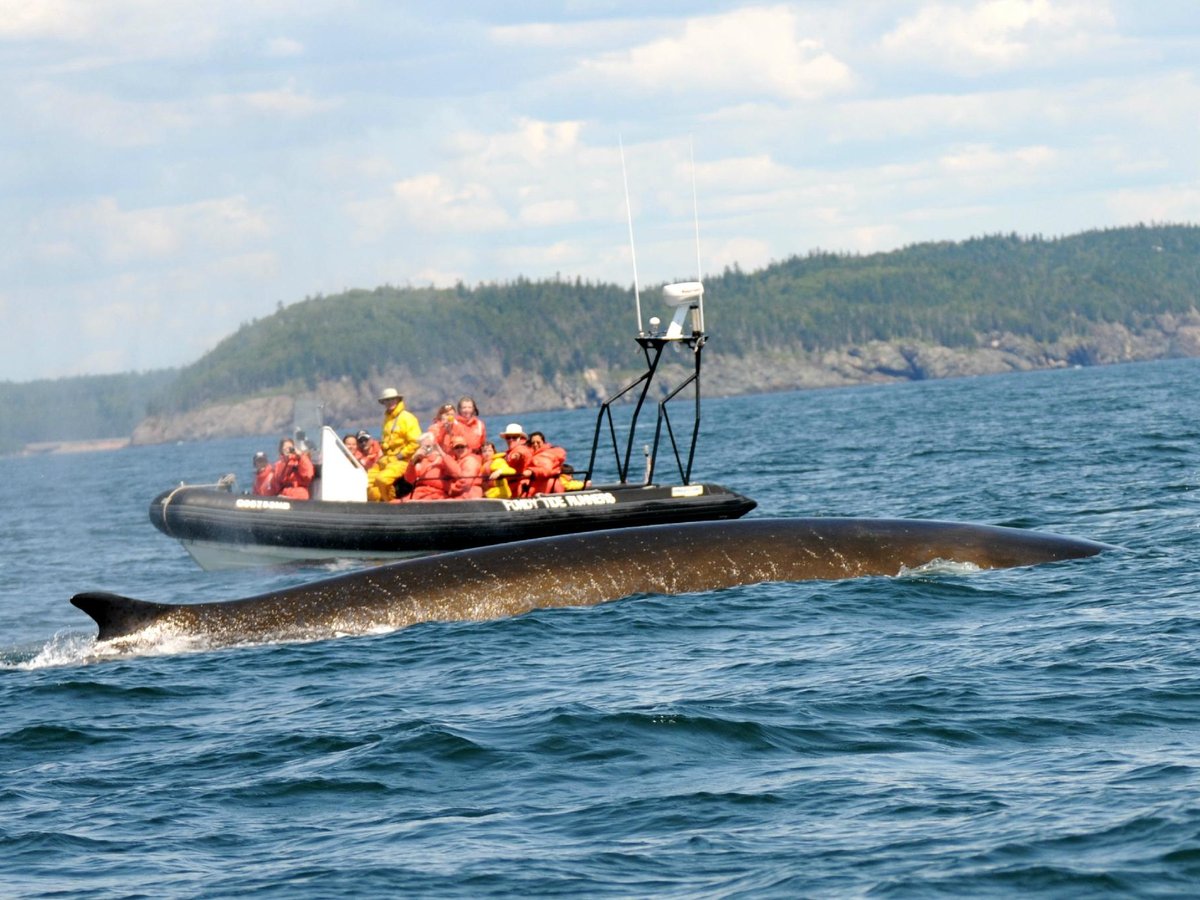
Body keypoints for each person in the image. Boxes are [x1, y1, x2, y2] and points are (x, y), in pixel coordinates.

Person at [368, 388, 420, 502]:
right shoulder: (387, 420)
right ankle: (377, 508)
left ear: (397, 400)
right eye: (386, 400)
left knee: (382, 479)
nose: (389, 402)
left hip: (403, 461)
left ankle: (390, 503)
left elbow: (416, 442)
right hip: (386, 460)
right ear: (383, 403)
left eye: (392, 399)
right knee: (367, 481)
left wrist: (399, 456)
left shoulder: (407, 418)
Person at [402, 432, 454, 501]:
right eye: (422, 447)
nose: (426, 449)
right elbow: (410, 479)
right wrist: (413, 460)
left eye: (428, 446)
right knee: (396, 503)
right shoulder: (419, 461)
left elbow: (454, 473)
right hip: (418, 493)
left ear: (434, 445)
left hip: (438, 494)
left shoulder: (442, 459)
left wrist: (440, 453)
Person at [523, 430, 567, 496]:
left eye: (538, 442)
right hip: (547, 485)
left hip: (544, 487)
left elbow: (545, 470)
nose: (535, 445)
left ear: (543, 442)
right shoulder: (533, 454)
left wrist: (532, 471)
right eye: (533, 443)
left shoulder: (545, 455)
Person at [498, 423, 533, 497]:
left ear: (521, 438)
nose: (511, 440)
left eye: (514, 437)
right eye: (508, 437)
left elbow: (521, 453)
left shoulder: (521, 448)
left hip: (521, 487)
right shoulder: (509, 452)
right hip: (511, 487)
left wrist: (515, 456)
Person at [445, 435, 483, 499]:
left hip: (470, 495)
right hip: (459, 496)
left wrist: (448, 487)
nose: (460, 449)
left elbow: (465, 483)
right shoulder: (455, 461)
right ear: (453, 450)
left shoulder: (470, 461)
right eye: (457, 447)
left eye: (462, 447)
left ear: (467, 447)